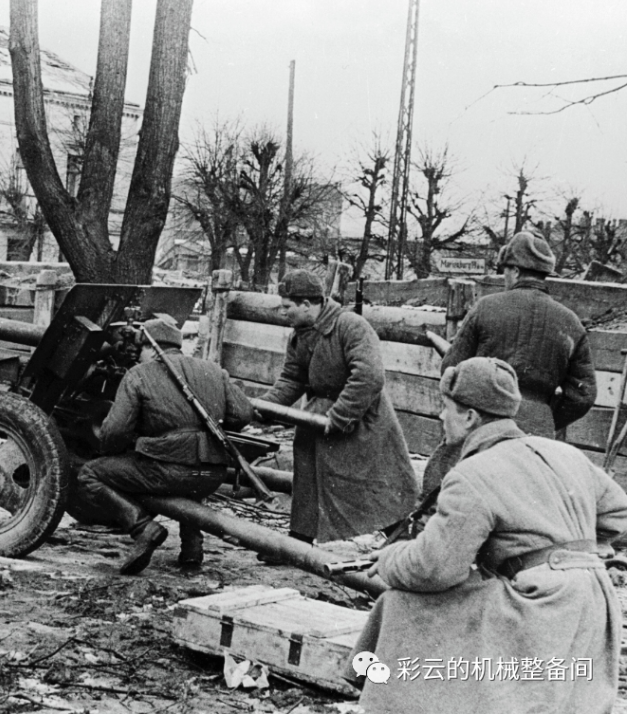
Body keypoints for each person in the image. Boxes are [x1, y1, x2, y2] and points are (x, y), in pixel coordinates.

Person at [348, 357, 627, 714]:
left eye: (444, 408)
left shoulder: (471, 475)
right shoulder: (563, 452)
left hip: (537, 604)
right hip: (594, 601)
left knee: (401, 605)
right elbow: (619, 513)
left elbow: (435, 569)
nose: (440, 417)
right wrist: (576, 550)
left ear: (470, 417)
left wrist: (389, 558)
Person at [424, 231, 597, 496]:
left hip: (482, 423)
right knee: (522, 506)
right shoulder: (571, 322)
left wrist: (469, 407)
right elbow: (583, 396)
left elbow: (451, 368)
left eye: (505, 270)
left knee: (461, 499)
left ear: (515, 270)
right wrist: (546, 415)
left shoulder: (486, 308)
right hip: (536, 432)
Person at [76, 318, 253, 575]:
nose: (137, 356)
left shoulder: (138, 374)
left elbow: (114, 433)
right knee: (188, 473)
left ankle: (143, 528)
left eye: (140, 350)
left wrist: (118, 446)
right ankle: (192, 549)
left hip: (169, 473)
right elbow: (243, 414)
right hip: (211, 475)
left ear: (149, 347)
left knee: (90, 473)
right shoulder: (213, 370)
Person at [258, 269, 417, 544]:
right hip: (317, 421)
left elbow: (369, 376)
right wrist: (262, 408)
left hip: (360, 418)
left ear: (307, 304)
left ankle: (402, 543)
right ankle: (298, 541)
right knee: (307, 479)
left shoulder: (350, 326)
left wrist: (340, 415)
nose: (283, 314)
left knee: (371, 484)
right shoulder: (300, 335)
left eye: (287, 307)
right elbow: (291, 380)